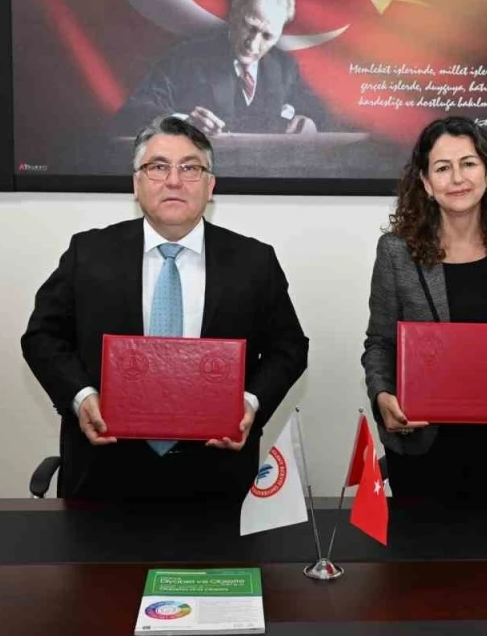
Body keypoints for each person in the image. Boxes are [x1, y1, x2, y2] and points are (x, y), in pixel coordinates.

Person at [22, 115, 310, 501]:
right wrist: (81, 396)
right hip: (104, 473)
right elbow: (42, 337)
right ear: (136, 183)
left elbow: (289, 348)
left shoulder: (254, 261)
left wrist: (249, 403)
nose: (174, 181)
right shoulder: (88, 253)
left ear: (210, 186)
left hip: (216, 476)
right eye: (158, 167)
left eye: (190, 168)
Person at [361, 116, 487, 498]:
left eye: (468, 163)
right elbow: (380, 343)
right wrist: (382, 396)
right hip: (423, 447)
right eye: (442, 168)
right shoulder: (397, 252)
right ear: (426, 183)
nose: (457, 178)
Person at [113, 0, 330, 136]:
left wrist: (310, 123)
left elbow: (320, 113)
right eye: (250, 27)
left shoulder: (284, 66)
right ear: (234, 12)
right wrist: (183, 124)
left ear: (280, 33)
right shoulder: (186, 57)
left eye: (267, 36)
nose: (253, 44)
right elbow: (134, 112)